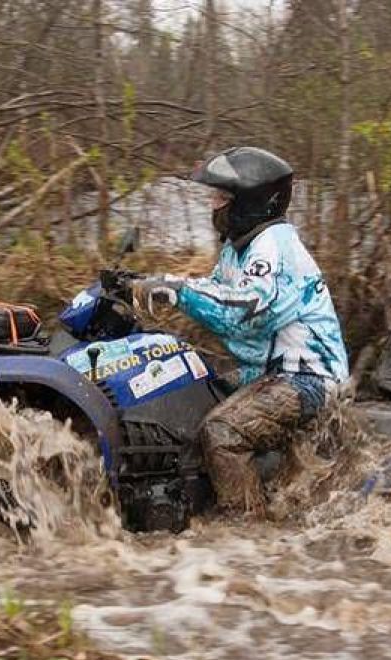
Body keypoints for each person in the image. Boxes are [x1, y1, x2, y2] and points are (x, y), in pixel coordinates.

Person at [132, 146, 349, 515]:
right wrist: (147, 289)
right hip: (268, 371)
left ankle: (247, 535)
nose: (213, 205)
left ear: (250, 202)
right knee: (193, 385)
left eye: (221, 197)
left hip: (307, 378)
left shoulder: (274, 248)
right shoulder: (238, 249)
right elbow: (217, 293)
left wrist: (176, 290)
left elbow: (243, 312)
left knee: (223, 433)